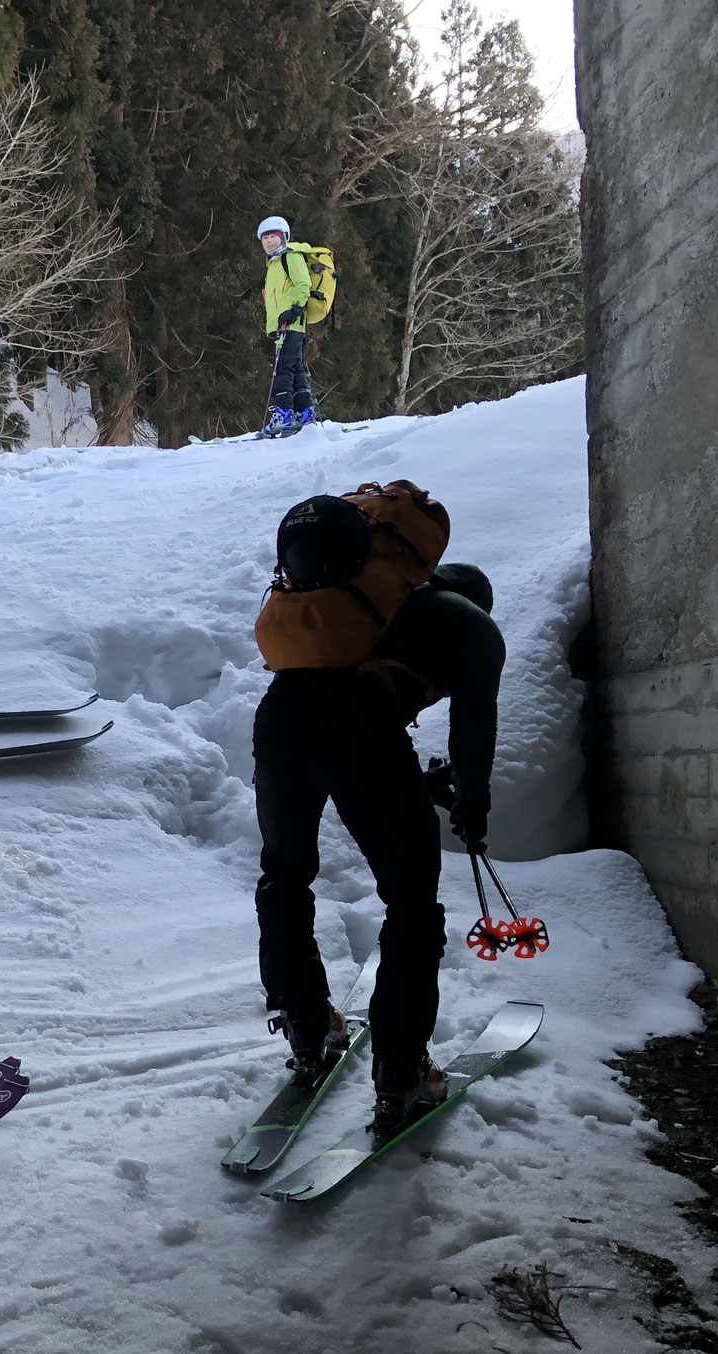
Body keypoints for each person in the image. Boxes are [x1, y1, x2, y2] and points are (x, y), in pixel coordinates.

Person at [251, 489, 505, 1139]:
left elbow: (329, 714)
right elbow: (472, 723)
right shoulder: (471, 625)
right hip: (359, 729)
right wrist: (471, 799)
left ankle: (309, 1029)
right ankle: (401, 1072)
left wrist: (416, 782)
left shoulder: (358, 602)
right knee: (412, 904)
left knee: (285, 876)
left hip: (281, 719)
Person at [256, 215, 316, 437]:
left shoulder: (289, 256)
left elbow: (303, 283)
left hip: (291, 323)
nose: (269, 241)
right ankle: (305, 413)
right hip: (283, 325)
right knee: (295, 368)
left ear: (284, 237)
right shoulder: (273, 262)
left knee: (282, 369)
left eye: (274, 236)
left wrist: (296, 308)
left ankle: (282, 415)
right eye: (265, 238)